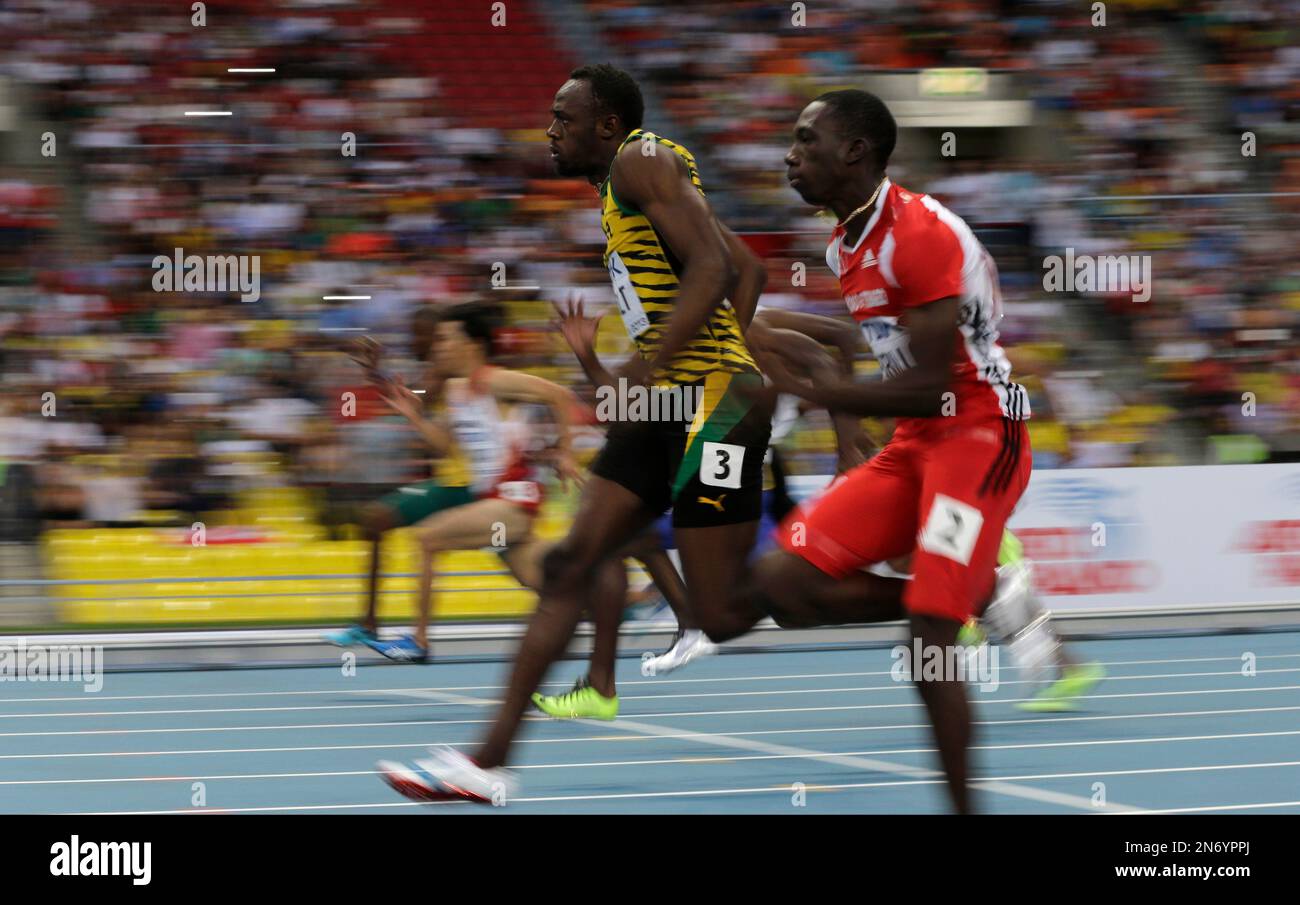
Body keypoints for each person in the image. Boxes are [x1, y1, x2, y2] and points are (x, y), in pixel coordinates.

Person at [376, 63, 774, 802]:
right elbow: (749, 269)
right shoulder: (624, 190)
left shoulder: (642, 158)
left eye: (563, 118)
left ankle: (930, 591)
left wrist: (672, 365)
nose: (548, 131)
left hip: (714, 404)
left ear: (608, 126)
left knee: (721, 608)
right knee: (569, 566)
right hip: (673, 401)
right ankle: (485, 763)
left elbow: (720, 267)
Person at [325, 303, 588, 662]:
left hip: (513, 501)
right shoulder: (458, 392)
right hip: (495, 503)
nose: (438, 347)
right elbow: (445, 446)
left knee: (429, 538)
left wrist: (566, 451)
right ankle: (627, 599)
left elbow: (560, 395)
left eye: (446, 339)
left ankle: (418, 641)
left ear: (471, 344)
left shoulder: (493, 379)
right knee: (538, 576)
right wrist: (415, 417)